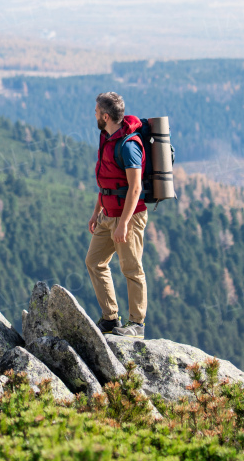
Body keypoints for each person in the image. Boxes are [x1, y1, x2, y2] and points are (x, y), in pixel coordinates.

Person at [85, 91, 148, 337]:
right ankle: (111, 318)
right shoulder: (107, 137)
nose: (94, 115)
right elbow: (107, 182)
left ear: (106, 116)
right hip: (107, 214)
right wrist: (95, 213)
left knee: (131, 269)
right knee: (94, 261)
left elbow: (135, 188)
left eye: (97, 112)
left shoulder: (129, 145)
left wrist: (123, 224)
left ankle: (137, 325)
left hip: (127, 217)